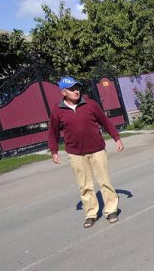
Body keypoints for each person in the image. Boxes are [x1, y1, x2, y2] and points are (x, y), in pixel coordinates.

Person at [48, 76, 124, 229]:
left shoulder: (89, 103)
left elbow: (105, 121)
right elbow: (53, 132)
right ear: (63, 92)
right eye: (72, 89)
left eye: (77, 88)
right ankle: (91, 214)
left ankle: (111, 210)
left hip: (97, 150)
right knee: (85, 186)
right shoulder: (58, 110)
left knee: (104, 181)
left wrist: (116, 138)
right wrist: (54, 151)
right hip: (76, 154)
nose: (76, 91)